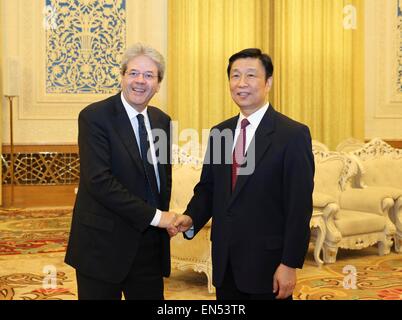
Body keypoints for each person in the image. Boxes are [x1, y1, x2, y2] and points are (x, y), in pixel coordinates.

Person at [172, 48, 315, 300]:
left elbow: (299, 206)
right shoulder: (220, 133)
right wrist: (191, 217)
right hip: (225, 263)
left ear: (268, 82)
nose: (242, 83)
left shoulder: (292, 135)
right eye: (235, 76)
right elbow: (208, 188)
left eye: (251, 75)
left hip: (268, 266)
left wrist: (290, 264)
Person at [65, 43, 176, 300]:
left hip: (148, 247)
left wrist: (161, 222)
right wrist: (158, 217)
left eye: (149, 75)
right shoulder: (95, 117)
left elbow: (162, 180)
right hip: (102, 246)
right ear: (122, 76)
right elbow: (99, 181)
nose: (140, 81)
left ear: (158, 83)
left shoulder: (162, 121)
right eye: (133, 73)